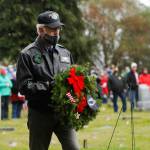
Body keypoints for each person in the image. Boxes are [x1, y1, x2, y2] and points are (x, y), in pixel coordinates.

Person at [16, 11, 79, 150]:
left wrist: (78, 98)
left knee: (73, 148)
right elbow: (23, 86)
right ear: (40, 30)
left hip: (63, 112)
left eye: (58, 28)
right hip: (40, 114)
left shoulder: (65, 53)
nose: (56, 32)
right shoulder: (27, 54)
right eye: (52, 29)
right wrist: (49, 86)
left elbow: (73, 81)